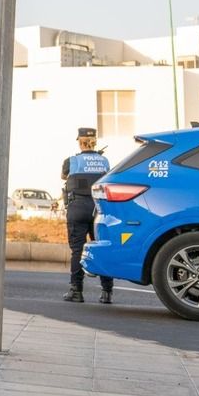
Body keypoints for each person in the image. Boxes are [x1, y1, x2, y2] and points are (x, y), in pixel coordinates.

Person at [62, 127, 113, 303]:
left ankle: (76, 291)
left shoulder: (71, 161)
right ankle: (107, 292)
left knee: (77, 250)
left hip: (77, 207)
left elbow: (63, 176)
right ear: (95, 141)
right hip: (99, 209)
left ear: (80, 141)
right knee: (103, 248)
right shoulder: (104, 161)